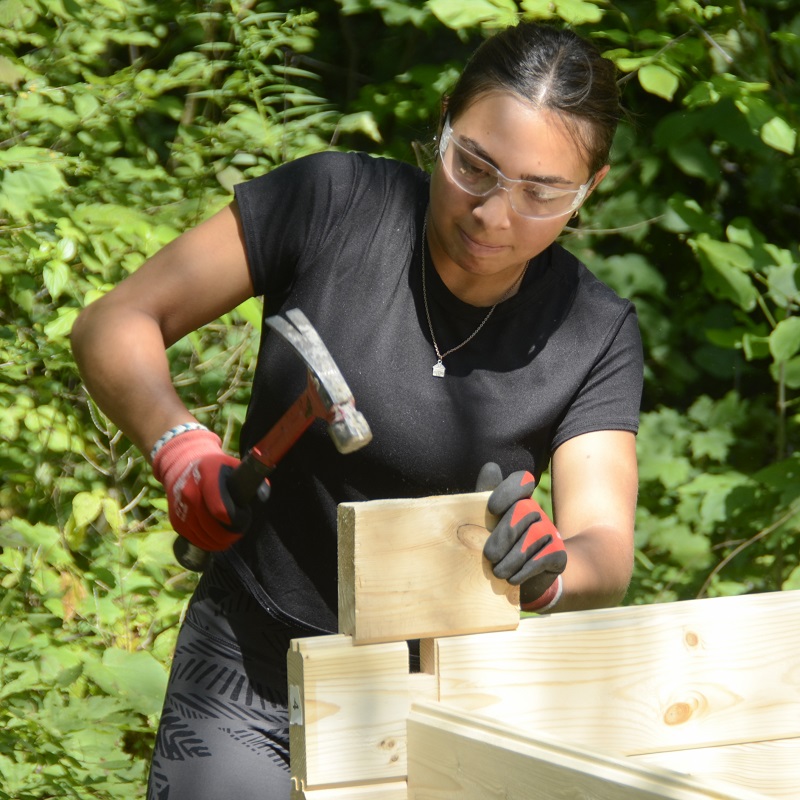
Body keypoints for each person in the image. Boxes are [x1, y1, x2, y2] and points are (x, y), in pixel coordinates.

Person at [71, 19, 642, 800]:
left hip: (439, 696)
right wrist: (177, 445)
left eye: (541, 193)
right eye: (474, 165)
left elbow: (605, 548)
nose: (493, 215)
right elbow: (115, 322)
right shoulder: (335, 204)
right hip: (251, 657)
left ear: (590, 190)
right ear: (443, 121)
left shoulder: (594, 330)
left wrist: (551, 570)